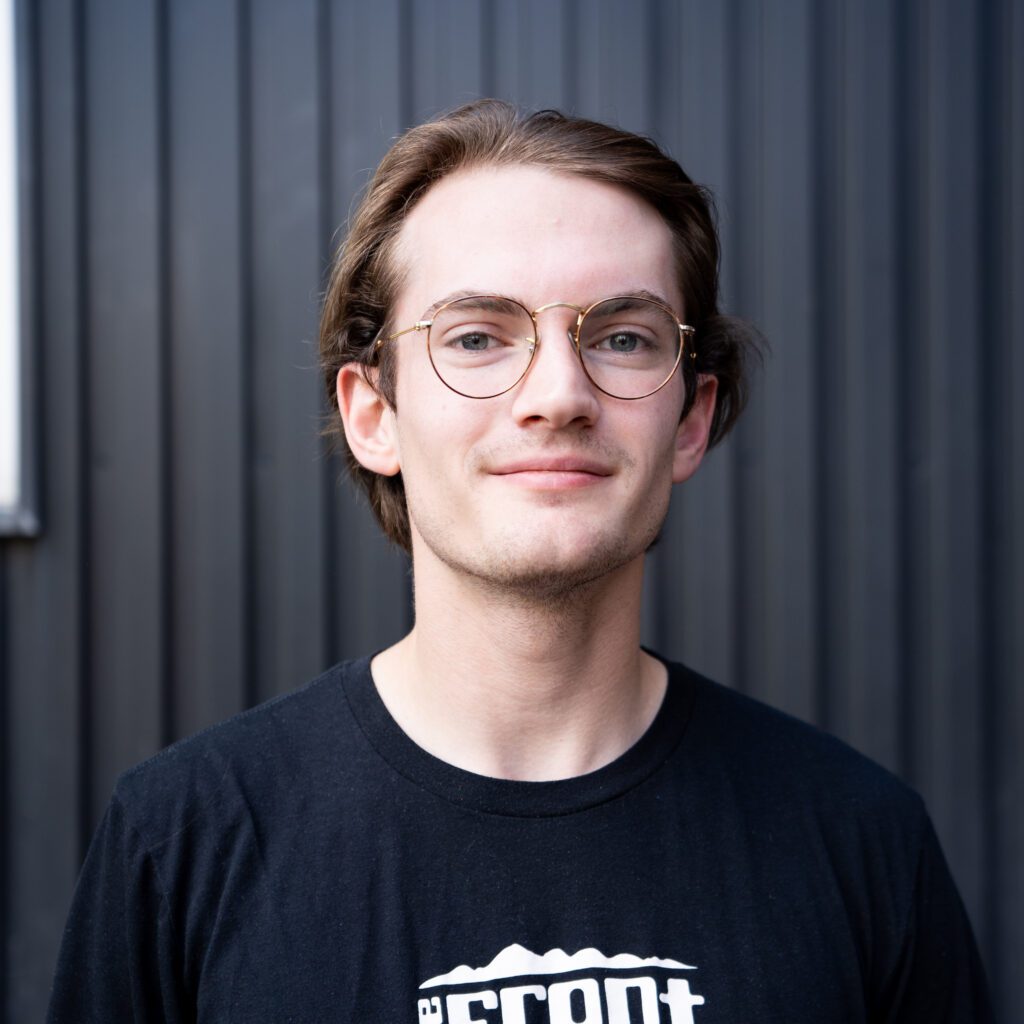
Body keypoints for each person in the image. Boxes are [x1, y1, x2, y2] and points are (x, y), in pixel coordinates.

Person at [48, 100, 991, 1023]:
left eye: (622, 338)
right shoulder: (183, 842)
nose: (558, 394)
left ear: (691, 420)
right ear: (373, 414)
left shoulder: (860, 839)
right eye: (476, 337)